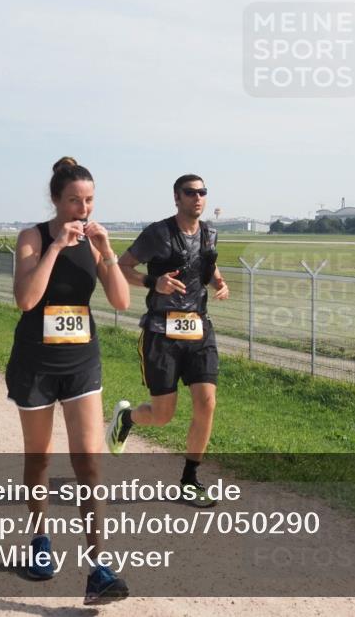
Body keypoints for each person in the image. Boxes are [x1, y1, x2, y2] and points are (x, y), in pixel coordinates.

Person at [6, 157, 131, 603]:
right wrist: (56, 246)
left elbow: (120, 301)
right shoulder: (32, 238)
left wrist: (108, 251)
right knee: (38, 460)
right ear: (56, 200)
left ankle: (98, 568)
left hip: (81, 363)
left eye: (90, 200)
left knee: (88, 463)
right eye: (75, 200)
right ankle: (39, 539)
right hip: (35, 364)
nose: (83, 208)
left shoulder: (96, 243)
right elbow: (26, 299)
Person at [107, 174, 229, 508]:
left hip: (199, 329)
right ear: (176, 197)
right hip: (161, 333)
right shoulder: (158, 233)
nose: (198, 198)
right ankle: (127, 418)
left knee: (206, 402)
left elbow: (207, 266)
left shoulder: (209, 234)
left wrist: (220, 283)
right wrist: (152, 281)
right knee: (163, 415)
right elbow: (122, 266)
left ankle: (190, 480)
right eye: (191, 193)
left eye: (203, 192)